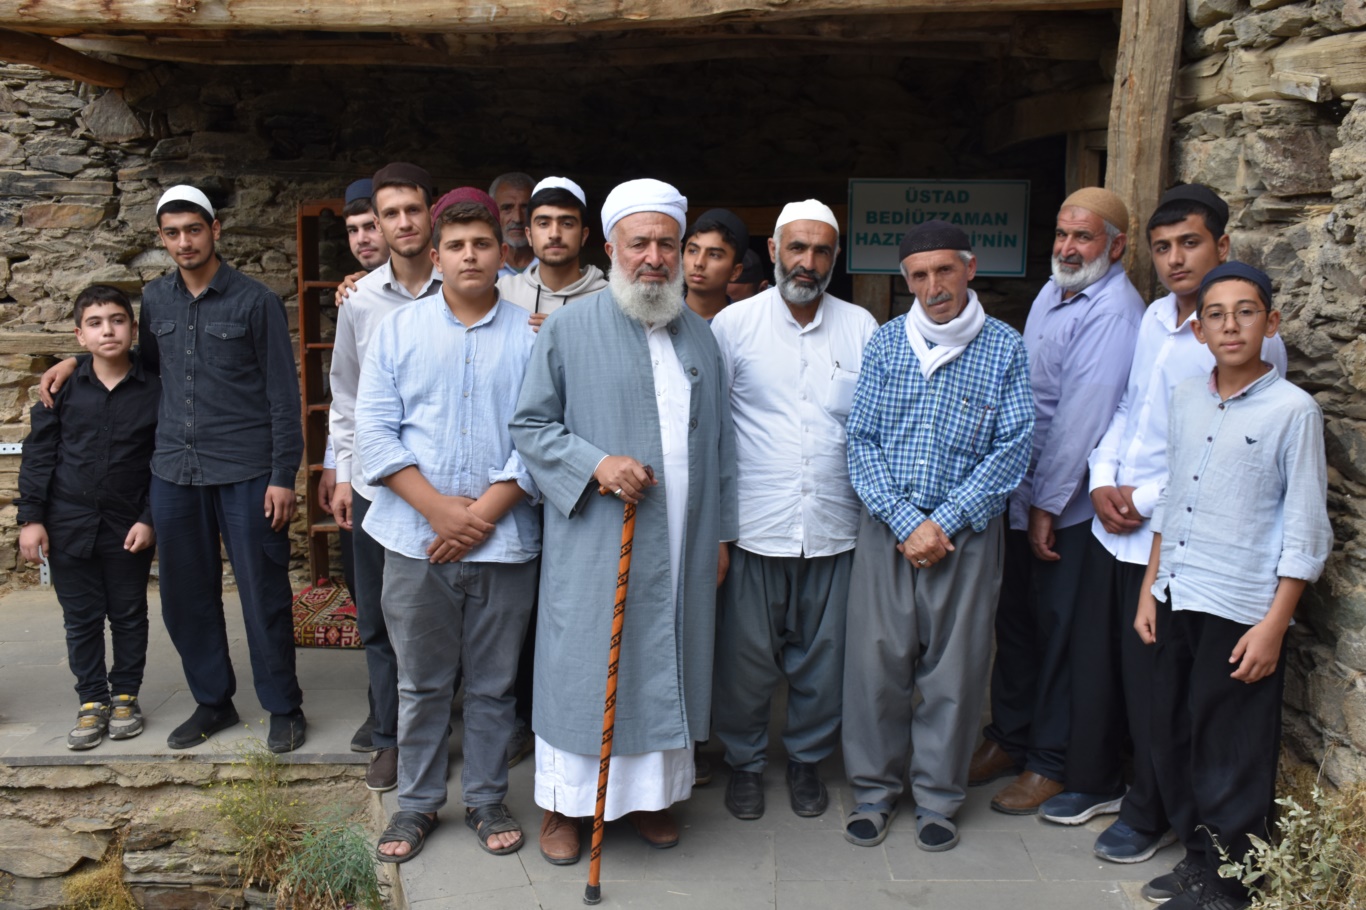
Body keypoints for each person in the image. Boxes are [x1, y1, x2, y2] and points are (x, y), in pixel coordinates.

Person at [1050, 184, 1290, 863]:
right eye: (1162, 247)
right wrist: (1102, 477)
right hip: (1115, 521)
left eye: (1190, 243)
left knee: (1159, 688)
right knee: (1104, 666)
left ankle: (1152, 811)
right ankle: (1100, 781)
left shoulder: (1245, 342)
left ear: (1222, 245)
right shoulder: (1156, 317)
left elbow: (1225, 448)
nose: (1175, 259)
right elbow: (1129, 407)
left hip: (1172, 532)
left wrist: (1144, 496)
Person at [510, 178, 737, 866]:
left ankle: (649, 800)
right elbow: (530, 426)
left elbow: (721, 445)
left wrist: (720, 534)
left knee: (666, 658)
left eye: (668, 244)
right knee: (583, 664)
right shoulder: (569, 328)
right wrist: (597, 464)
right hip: (596, 539)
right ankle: (564, 805)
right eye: (640, 243)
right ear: (610, 248)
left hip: (686, 539)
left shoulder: (701, 336)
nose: (655, 258)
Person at [41, 185, 307, 752]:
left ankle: (283, 706)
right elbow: (141, 366)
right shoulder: (156, 299)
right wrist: (75, 360)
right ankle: (213, 701)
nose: (184, 242)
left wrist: (283, 475)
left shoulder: (255, 301)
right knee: (185, 597)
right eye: (172, 233)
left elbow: (284, 396)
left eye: (194, 230)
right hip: (174, 472)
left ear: (214, 230)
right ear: (162, 239)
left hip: (246, 469)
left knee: (263, 594)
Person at [1135, 262, 1330, 910]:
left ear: (1270, 322)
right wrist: (1150, 587)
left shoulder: (1293, 411)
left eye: (1245, 312)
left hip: (1241, 606)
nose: (1230, 326)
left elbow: (1305, 528)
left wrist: (1274, 624)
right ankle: (1200, 860)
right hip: (1177, 592)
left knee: (1232, 750)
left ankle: (1232, 884)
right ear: (1199, 330)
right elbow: (1172, 497)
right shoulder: (1187, 397)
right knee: (1176, 735)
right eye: (1215, 314)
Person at [358, 190, 541, 864]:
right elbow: (373, 433)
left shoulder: (534, 337)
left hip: (505, 539)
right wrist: (438, 510)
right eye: (456, 246)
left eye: (482, 244)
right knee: (422, 682)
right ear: (435, 257)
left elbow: (544, 434)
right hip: (415, 538)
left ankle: (487, 797)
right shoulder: (397, 332)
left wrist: (482, 513)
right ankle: (417, 802)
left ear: (502, 253)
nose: (470, 256)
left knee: (494, 684)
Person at [841, 221, 1033, 850]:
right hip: (888, 529)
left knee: (955, 672)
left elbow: (1012, 449)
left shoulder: (1004, 347)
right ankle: (873, 791)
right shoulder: (887, 342)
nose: (934, 287)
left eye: (944, 270)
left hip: (965, 535)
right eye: (919, 275)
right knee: (876, 664)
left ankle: (937, 799)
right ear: (907, 281)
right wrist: (905, 521)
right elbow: (861, 440)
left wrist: (942, 523)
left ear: (969, 269)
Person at [972, 187, 1143, 814]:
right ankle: (1010, 737)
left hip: (1066, 508)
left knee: (1062, 635)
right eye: (1063, 234)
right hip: (1025, 493)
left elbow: (1081, 418)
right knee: (1016, 624)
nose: (1068, 248)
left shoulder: (1115, 311)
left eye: (1084, 237)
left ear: (1116, 247)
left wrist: (1046, 504)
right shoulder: (1054, 290)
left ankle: (1050, 761)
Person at [710, 199, 875, 821]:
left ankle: (807, 760)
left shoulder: (861, 327)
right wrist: (716, 531)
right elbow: (712, 432)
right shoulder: (733, 325)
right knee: (746, 661)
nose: (808, 262)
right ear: (774, 250)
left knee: (824, 660)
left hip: (836, 526)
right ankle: (745, 763)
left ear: (836, 258)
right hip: (755, 524)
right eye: (797, 248)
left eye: (821, 250)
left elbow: (873, 428)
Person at [329, 162, 442, 789]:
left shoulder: (471, 283)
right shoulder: (360, 300)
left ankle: (465, 727)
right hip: (379, 488)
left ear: (431, 214)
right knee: (379, 617)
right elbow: (345, 395)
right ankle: (389, 736)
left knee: (457, 613)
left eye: (412, 210)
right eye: (388, 214)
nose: (402, 223)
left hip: (452, 486)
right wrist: (345, 475)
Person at [18, 285, 160, 750]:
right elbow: (39, 455)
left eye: (117, 320)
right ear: (80, 336)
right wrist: (31, 519)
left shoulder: (157, 388)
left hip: (128, 524)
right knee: (80, 618)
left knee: (129, 613)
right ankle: (92, 699)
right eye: (95, 324)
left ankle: (125, 696)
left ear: (133, 329)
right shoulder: (61, 389)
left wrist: (150, 518)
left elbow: (163, 460)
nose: (108, 331)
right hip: (68, 522)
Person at [320, 176, 391, 656]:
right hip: (367, 471)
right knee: (369, 594)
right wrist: (338, 468)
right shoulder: (354, 298)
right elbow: (346, 393)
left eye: (371, 226)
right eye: (353, 230)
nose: (363, 239)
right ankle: (383, 697)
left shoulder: (447, 290)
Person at [496, 176, 607, 330]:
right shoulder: (504, 292)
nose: (554, 234)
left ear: (584, 235)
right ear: (529, 235)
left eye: (567, 224)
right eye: (543, 224)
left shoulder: (608, 299)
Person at [683, 208, 748, 322]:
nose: (698, 263)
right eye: (693, 251)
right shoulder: (660, 318)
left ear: (735, 272)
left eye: (714, 255)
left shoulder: (745, 325)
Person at [490, 172, 538, 277]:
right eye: (507, 208)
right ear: (492, 213)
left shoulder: (551, 264)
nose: (517, 219)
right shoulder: (484, 266)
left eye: (525, 208)